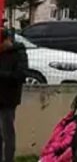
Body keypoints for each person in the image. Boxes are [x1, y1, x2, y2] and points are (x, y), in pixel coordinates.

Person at [0, 28, 28, 162]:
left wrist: (2, 74)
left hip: (8, 99)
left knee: (7, 134)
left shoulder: (18, 53)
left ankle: (8, 159)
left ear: (7, 40)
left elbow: (20, 75)